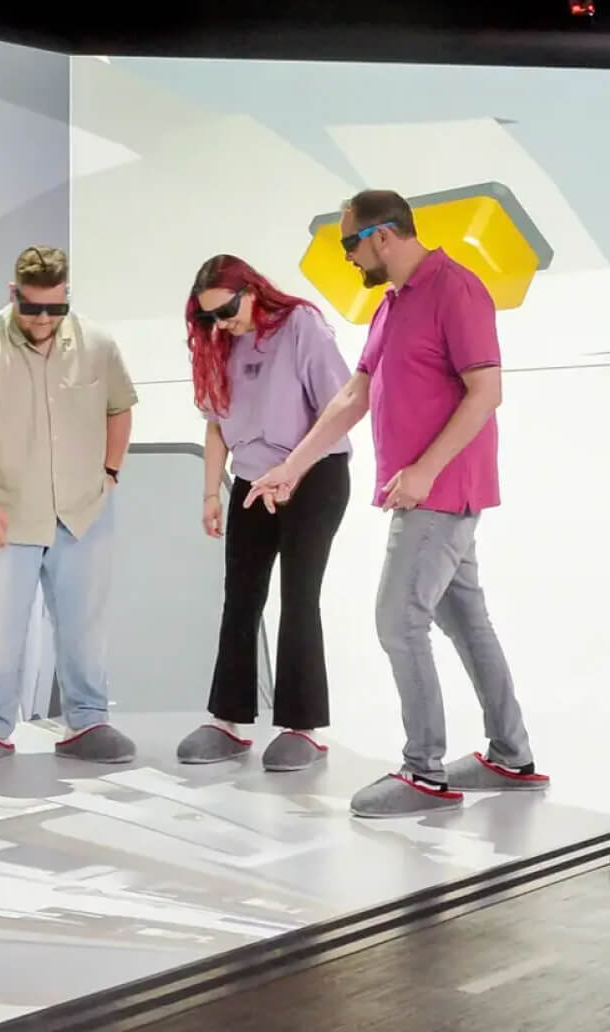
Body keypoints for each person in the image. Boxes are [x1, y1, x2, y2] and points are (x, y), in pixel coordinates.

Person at [245, 189, 549, 817]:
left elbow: (486, 392)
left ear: (382, 236)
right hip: (425, 491)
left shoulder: (455, 288)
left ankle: (425, 773)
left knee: (397, 619)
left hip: (441, 492)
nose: (349, 257)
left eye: (349, 243)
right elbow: (352, 397)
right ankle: (511, 757)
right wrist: (292, 468)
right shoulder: (392, 303)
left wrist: (423, 470)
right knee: (464, 619)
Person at [0, 245, 138, 770]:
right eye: (32, 308)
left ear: (68, 296)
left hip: (83, 511)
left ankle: (88, 718)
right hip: (4, 512)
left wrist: (110, 473)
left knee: (86, 626)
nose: (43, 319)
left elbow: (119, 408)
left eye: (55, 308)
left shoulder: (98, 344)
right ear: (12, 294)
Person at [178, 255, 352, 772]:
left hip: (313, 475)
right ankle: (227, 720)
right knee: (241, 597)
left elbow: (339, 407)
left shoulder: (302, 326)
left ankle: (304, 727)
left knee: (299, 598)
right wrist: (212, 493)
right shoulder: (221, 344)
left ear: (252, 291)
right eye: (208, 316)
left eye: (227, 309)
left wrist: (292, 471)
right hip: (253, 483)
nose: (220, 322)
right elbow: (215, 426)